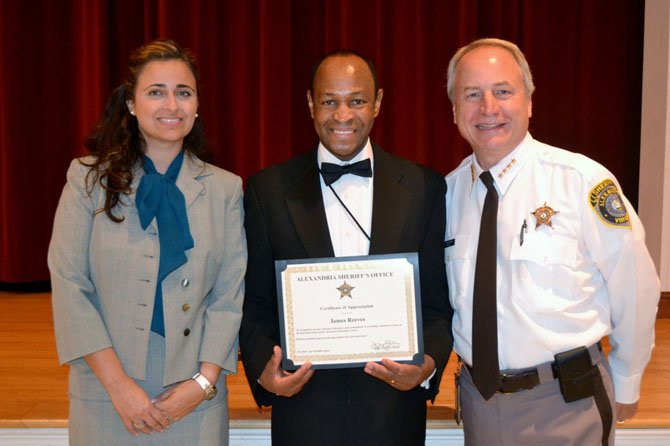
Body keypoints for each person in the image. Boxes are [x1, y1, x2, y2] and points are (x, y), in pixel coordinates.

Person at [444, 37, 660, 445]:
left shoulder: (581, 182)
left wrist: (627, 380)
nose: (488, 108)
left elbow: (636, 287)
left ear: (529, 102)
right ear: (455, 109)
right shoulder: (449, 194)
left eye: (503, 92)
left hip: (566, 404)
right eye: (472, 94)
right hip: (479, 403)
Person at [239, 49, 453, 445]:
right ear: (310, 104)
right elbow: (254, 304)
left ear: (378, 104)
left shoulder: (424, 188)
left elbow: (438, 305)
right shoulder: (266, 190)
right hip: (304, 414)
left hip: (394, 415)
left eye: (356, 101)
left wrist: (427, 365)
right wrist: (264, 372)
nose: (342, 115)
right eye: (329, 102)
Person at [48, 39, 246, 445]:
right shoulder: (86, 179)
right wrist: (120, 387)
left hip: (194, 397)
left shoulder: (226, 189)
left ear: (197, 105)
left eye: (183, 93)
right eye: (156, 92)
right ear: (132, 104)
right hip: (106, 393)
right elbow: (70, 286)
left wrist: (203, 383)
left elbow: (229, 296)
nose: (171, 105)